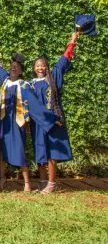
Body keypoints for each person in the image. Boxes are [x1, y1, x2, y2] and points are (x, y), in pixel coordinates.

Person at [0, 51, 60, 192]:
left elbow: (35, 105)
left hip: (18, 122)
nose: (13, 68)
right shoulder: (4, 81)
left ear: (21, 71)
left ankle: (27, 183)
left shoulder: (24, 85)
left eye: (16, 67)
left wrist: (51, 118)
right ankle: (2, 179)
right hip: (2, 122)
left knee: (19, 150)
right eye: (11, 66)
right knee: (1, 150)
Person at [29, 31, 79, 193]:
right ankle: (43, 182)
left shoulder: (53, 77)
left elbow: (63, 60)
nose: (40, 68)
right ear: (34, 68)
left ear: (47, 67)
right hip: (38, 122)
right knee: (40, 150)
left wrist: (72, 42)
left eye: (43, 65)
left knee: (52, 151)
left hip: (54, 121)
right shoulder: (30, 84)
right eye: (37, 66)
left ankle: (51, 183)